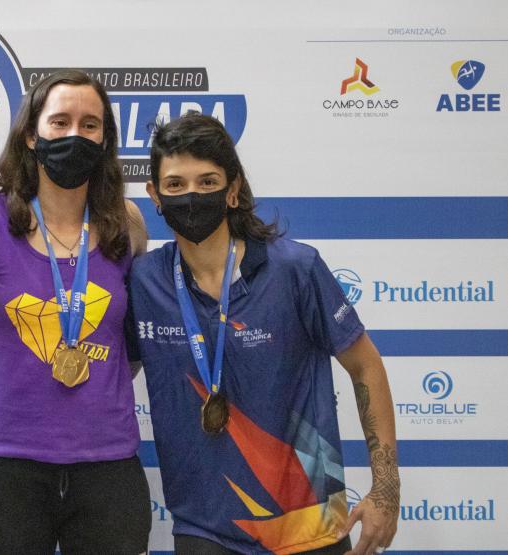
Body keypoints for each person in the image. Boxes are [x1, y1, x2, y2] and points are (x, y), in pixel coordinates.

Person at [128, 113, 400, 555]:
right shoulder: (144, 281)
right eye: (175, 185)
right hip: (202, 527)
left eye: (207, 181)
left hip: (308, 522)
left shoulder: (296, 268)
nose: (191, 196)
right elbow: (99, 358)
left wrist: (386, 491)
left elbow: (365, 364)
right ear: (154, 195)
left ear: (232, 189)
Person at [0, 69, 151, 553]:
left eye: (90, 124)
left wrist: (102, 375)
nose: (74, 135)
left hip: (108, 463)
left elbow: (134, 338)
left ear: (105, 140)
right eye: (59, 122)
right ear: (30, 134)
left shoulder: (128, 222)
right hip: (8, 466)